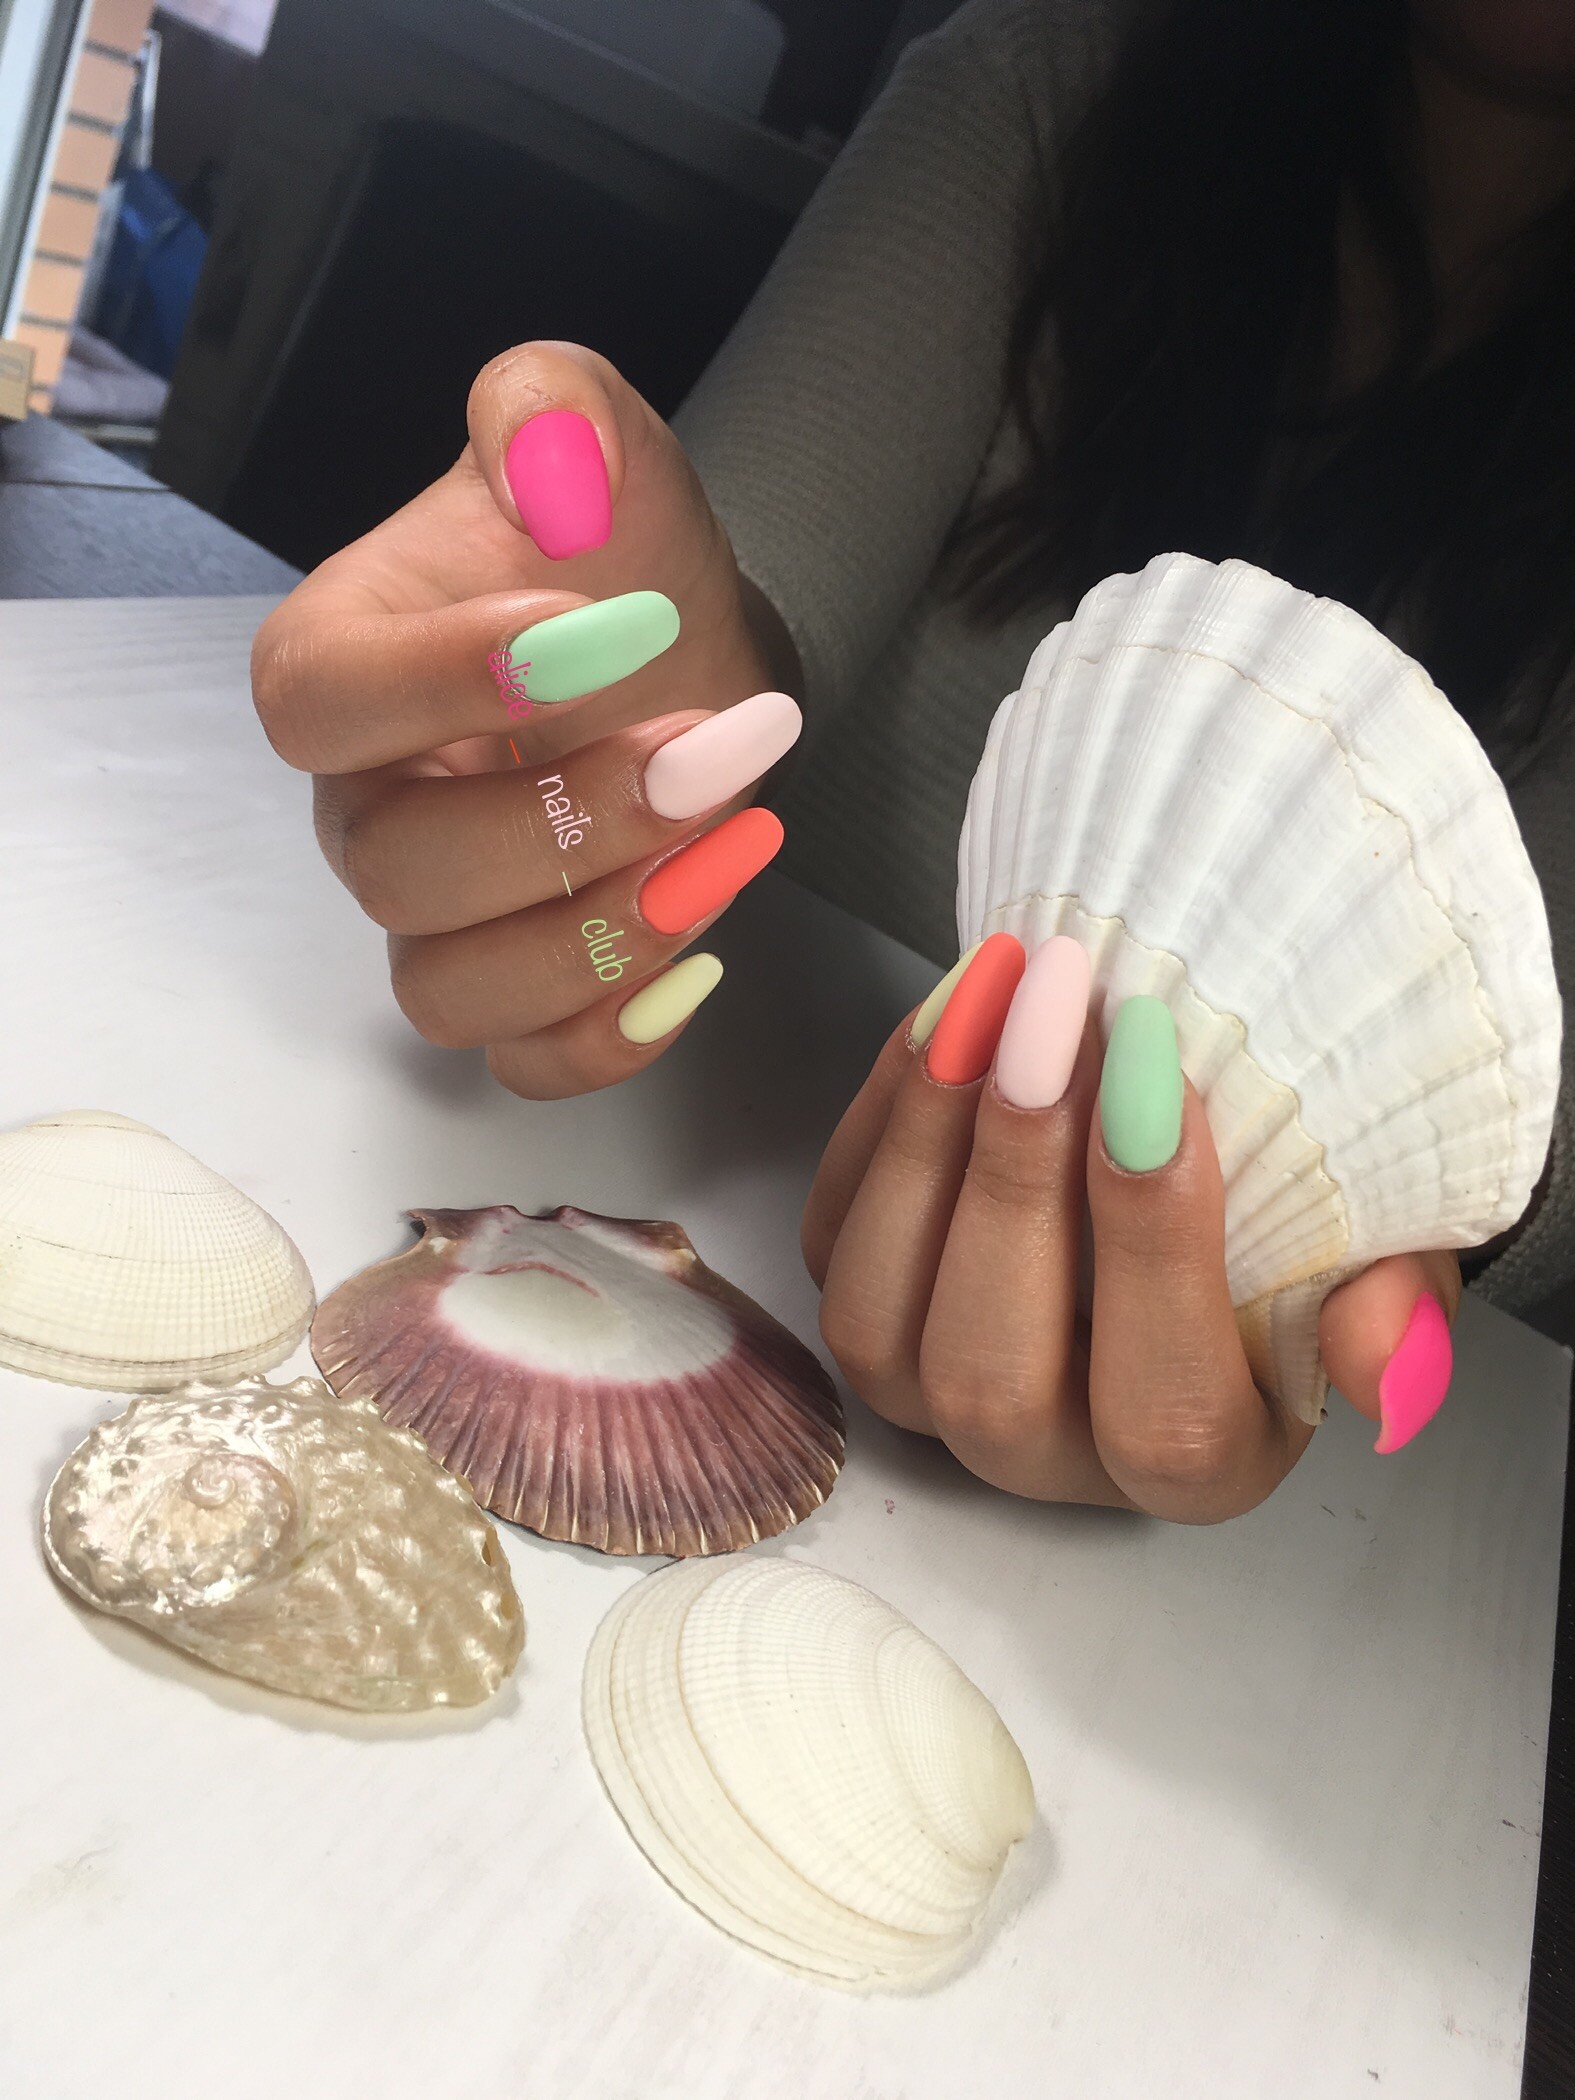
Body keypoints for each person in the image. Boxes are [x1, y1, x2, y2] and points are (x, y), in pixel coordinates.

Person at [251, 0, 1575, 1522]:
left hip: (1356, 1561)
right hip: (684, 1168)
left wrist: (1413, 1230)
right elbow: (749, 589)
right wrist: (624, 701)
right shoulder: (1046, 81)